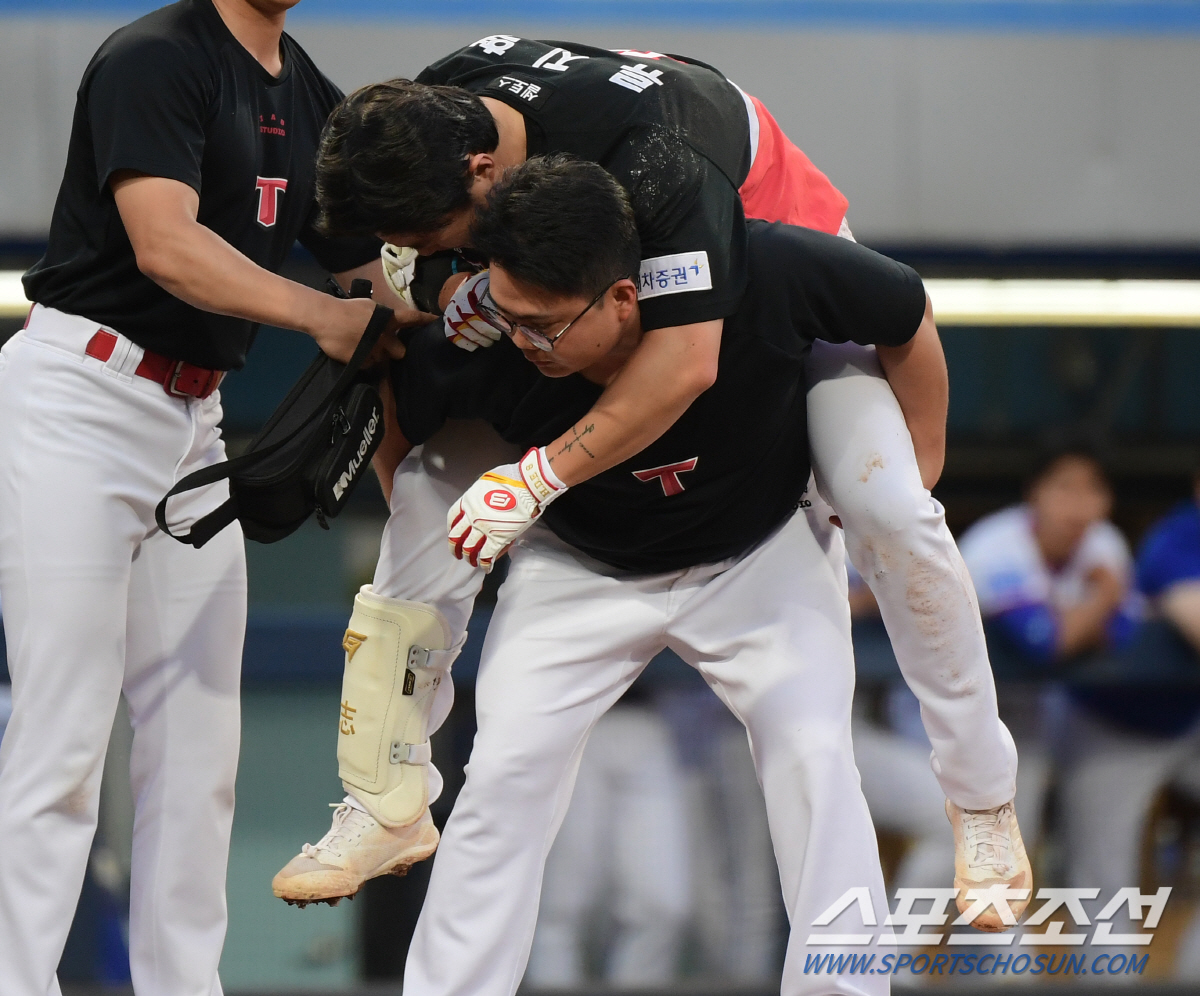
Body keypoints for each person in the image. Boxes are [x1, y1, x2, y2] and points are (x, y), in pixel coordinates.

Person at [275, 36, 1020, 909]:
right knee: (425, 497)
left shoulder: (663, 159)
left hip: (754, 266)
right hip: (570, 287)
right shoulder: (440, 105)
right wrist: (446, 291)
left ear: (484, 174)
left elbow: (685, 363)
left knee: (892, 508)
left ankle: (982, 797)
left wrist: (538, 479)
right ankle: (385, 797)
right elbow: (401, 279)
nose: (424, 250)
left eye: (433, 238)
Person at [0, 1, 414, 993]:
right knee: (62, 739)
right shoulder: (157, 57)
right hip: (82, 395)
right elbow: (166, 246)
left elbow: (371, 277)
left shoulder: (307, 92)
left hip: (194, 418)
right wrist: (322, 315)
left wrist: (466, 323)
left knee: (198, 747)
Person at [958, 451, 1142, 872]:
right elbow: (1045, 643)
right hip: (952, 709)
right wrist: (1104, 596)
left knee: (1010, 845)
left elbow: (1123, 636)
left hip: (1032, 706)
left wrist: (1075, 620)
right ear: (1034, 493)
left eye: (1093, 489)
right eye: (1064, 487)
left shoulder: (1104, 542)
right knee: (963, 845)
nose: (1079, 503)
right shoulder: (994, 545)